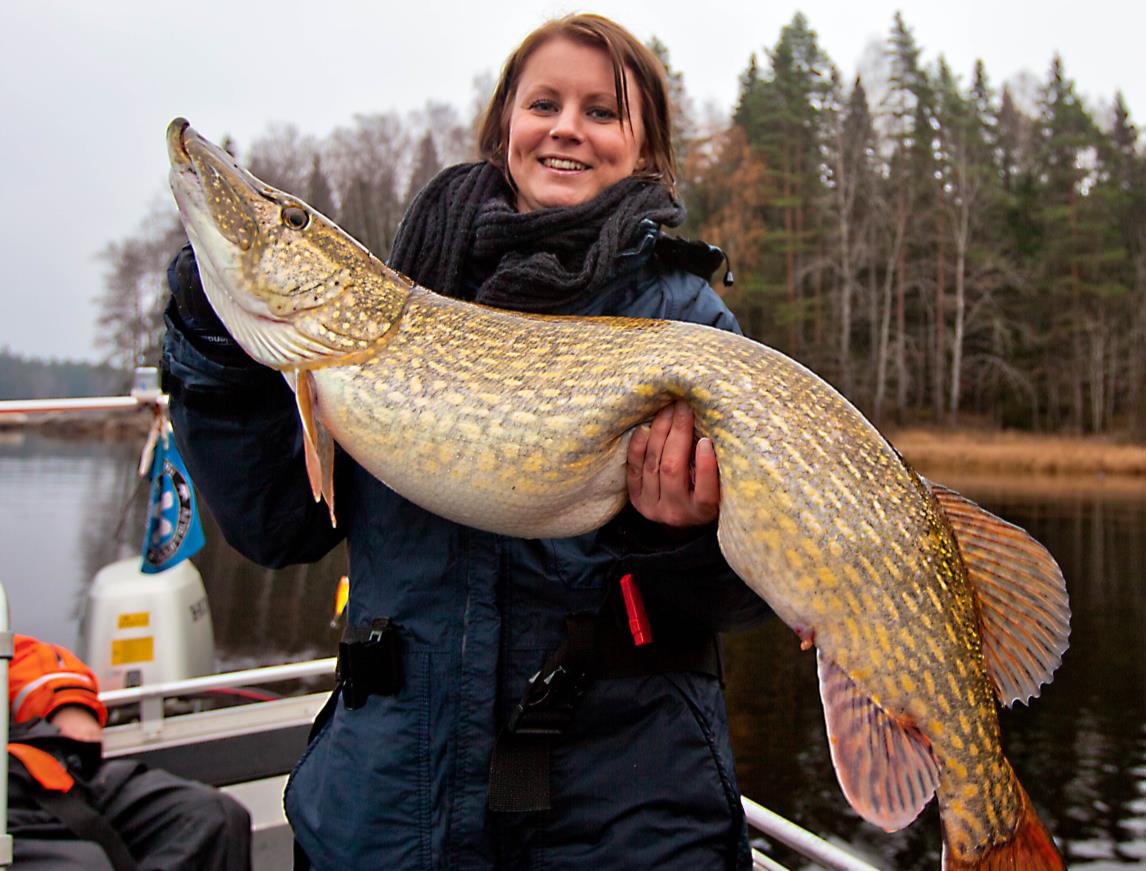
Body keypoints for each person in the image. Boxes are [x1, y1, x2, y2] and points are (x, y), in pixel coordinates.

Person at [161, 13, 770, 869]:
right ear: (503, 131)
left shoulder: (684, 322)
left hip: (622, 818)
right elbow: (273, 527)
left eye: (603, 112)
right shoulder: (394, 316)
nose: (567, 126)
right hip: (390, 808)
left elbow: (750, 594)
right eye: (544, 103)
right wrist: (213, 348)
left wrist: (672, 537)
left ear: (646, 151)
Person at [6, 634, 252, 870]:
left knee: (213, 817)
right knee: (83, 865)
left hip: (44, 776)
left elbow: (22, 657)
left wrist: (65, 701)